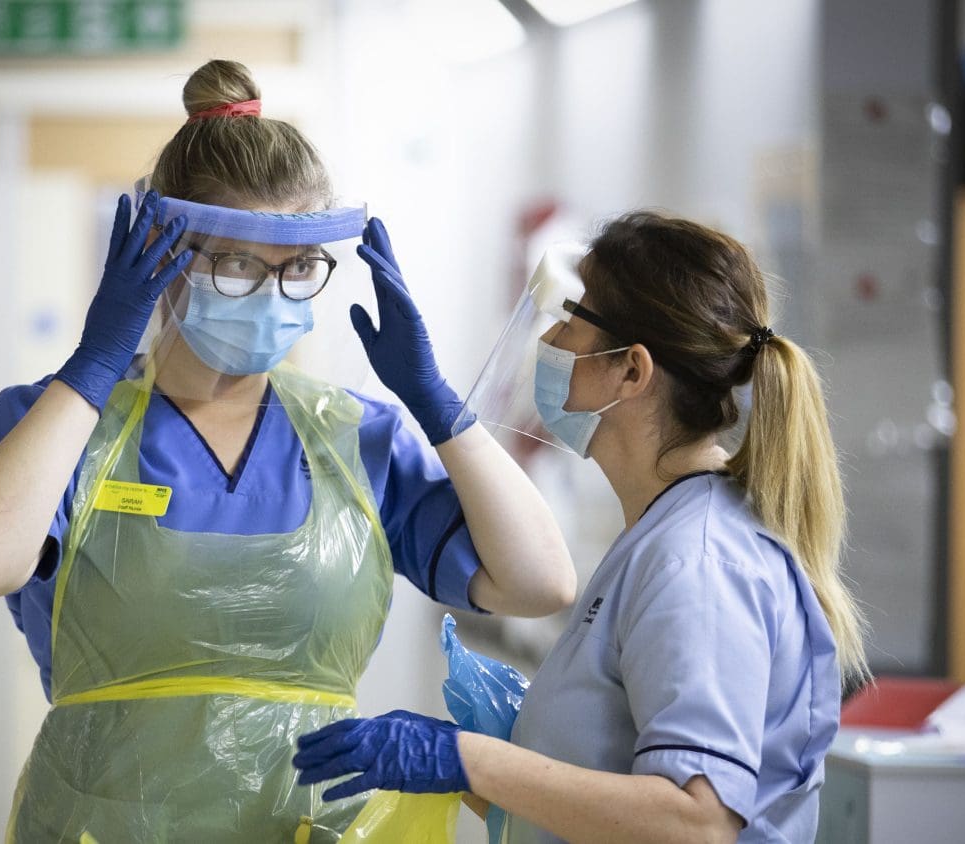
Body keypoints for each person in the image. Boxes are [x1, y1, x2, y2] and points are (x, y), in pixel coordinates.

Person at [0, 59, 576, 842]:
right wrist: (95, 363)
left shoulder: (357, 440)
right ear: (162, 257)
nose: (273, 293)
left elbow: (540, 582)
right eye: (238, 263)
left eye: (298, 267)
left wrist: (438, 405)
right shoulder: (58, 427)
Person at [294, 211, 867, 843]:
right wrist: (473, 771)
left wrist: (471, 760)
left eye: (569, 319)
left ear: (632, 371)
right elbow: (605, 804)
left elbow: (697, 822)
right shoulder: (663, 535)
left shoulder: (697, 561)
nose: (550, 339)